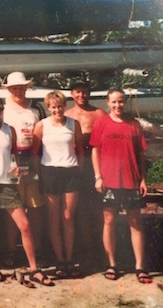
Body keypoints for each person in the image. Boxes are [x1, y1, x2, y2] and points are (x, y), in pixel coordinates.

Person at [0, 97, 54, 286]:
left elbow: (13, 155)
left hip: (6, 182)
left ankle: (34, 269)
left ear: (2, 111)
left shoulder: (10, 130)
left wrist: (15, 168)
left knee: (24, 224)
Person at [90, 87, 153, 284]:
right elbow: (95, 151)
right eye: (114, 102)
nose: (117, 105)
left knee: (135, 222)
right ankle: (112, 264)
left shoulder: (133, 125)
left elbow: (141, 154)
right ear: (107, 103)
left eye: (121, 101)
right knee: (109, 221)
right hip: (109, 180)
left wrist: (143, 179)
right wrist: (98, 176)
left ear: (125, 103)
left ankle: (140, 266)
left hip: (131, 180)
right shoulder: (101, 123)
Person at [32, 90, 84, 278]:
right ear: (48, 108)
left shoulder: (74, 124)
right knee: (54, 219)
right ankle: (59, 260)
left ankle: (69, 259)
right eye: (53, 107)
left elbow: (79, 150)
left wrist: (79, 170)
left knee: (68, 216)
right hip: (49, 172)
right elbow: (35, 153)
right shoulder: (41, 125)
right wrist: (41, 174)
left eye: (60, 106)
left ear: (64, 106)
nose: (57, 110)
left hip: (70, 172)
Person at [2, 72, 45, 267]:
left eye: (21, 87)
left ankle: (36, 249)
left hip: (33, 157)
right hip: (11, 160)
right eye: (15, 88)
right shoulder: (2, 108)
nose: (18, 91)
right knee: (13, 208)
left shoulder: (36, 108)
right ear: (9, 89)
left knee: (35, 208)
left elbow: (44, 133)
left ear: (26, 88)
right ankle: (11, 250)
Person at [64, 80, 106, 268]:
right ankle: (85, 248)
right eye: (77, 92)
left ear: (89, 93)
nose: (81, 95)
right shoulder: (67, 114)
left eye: (84, 92)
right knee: (79, 209)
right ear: (72, 94)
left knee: (99, 208)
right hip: (75, 163)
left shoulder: (98, 113)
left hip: (96, 162)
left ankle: (102, 250)